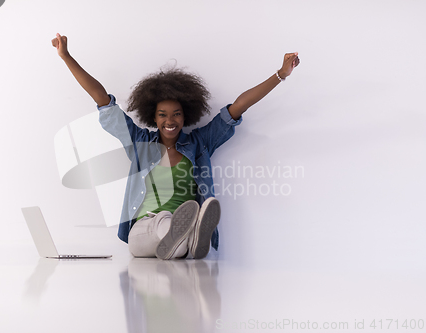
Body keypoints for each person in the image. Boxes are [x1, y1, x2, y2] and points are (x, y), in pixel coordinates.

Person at [51, 33, 300, 260]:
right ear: (154, 117)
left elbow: (239, 106)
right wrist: (66, 56)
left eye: (176, 114)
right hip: (143, 231)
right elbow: (101, 98)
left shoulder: (199, 143)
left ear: (185, 116)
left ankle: (187, 237)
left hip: (178, 233)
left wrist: (280, 74)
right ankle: (190, 237)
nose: (170, 121)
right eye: (163, 115)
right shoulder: (139, 142)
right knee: (165, 225)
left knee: (175, 240)